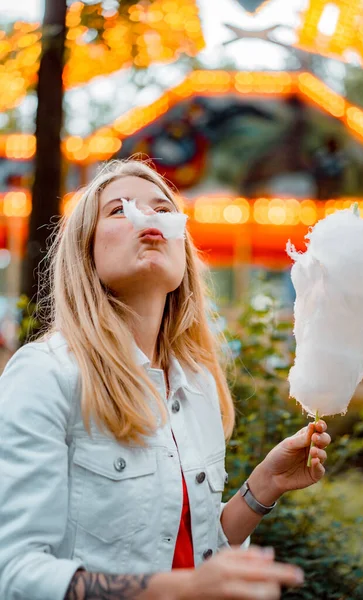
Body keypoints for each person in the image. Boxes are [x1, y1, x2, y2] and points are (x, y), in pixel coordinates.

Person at [0, 159, 331, 600]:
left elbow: (196, 549)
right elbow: (15, 574)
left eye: (162, 209)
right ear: (86, 254)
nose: (148, 218)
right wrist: (182, 588)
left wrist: (262, 488)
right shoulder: (45, 374)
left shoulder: (197, 386)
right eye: (119, 210)